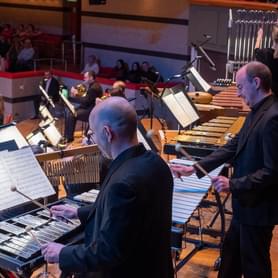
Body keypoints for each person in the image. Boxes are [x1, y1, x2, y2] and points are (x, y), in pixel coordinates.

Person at [41, 97, 174, 278]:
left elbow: (108, 251)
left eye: (92, 134)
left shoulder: (123, 183)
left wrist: (62, 253)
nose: (92, 140)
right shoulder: (156, 163)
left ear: (107, 133)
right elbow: (130, 215)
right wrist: (78, 212)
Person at [171, 61, 278, 278]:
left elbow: (272, 171)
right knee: (230, 258)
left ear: (256, 83)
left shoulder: (272, 118)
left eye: (240, 87)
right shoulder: (257, 111)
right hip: (245, 206)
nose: (238, 94)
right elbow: (232, 146)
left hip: (257, 210)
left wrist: (233, 184)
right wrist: (195, 168)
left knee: (255, 266)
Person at [64, 71, 103, 143]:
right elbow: (87, 100)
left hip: (91, 112)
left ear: (91, 78)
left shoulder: (93, 88)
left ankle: (69, 137)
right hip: (89, 108)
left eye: (85, 77)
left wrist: (76, 94)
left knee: (72, 114)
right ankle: (67, 135)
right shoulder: (94, 85)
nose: (84, 79)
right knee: (70, 111)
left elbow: (86, 102)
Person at [254, 24, 278, 96]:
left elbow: (256, 51)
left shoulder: (265, 53)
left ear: (272, 37)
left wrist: (259, 36)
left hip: (269, 94)